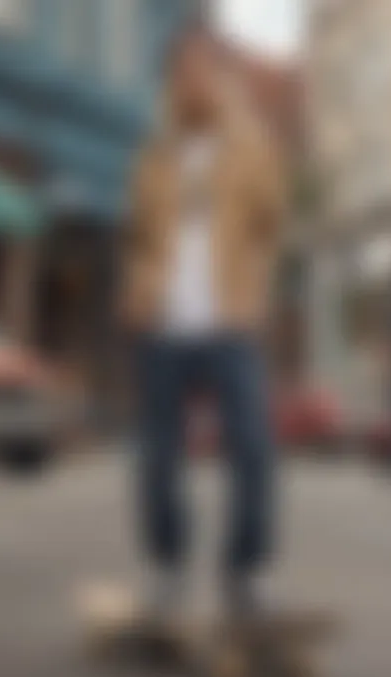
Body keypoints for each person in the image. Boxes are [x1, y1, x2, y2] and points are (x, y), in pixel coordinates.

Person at [117, 21, 286, 622]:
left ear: (223, 76)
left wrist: (255, 289)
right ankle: (168, 568)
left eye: (204, 69)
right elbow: (137, 233)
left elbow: (270, 224)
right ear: (170, 82)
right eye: (180, 71)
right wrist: (136, 288)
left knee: (254, 448)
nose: (192, 81)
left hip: (229, 321)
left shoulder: (253, 147)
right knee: (158, 457)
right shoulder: (154, 153)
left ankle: (247, 573)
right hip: (163, 324)